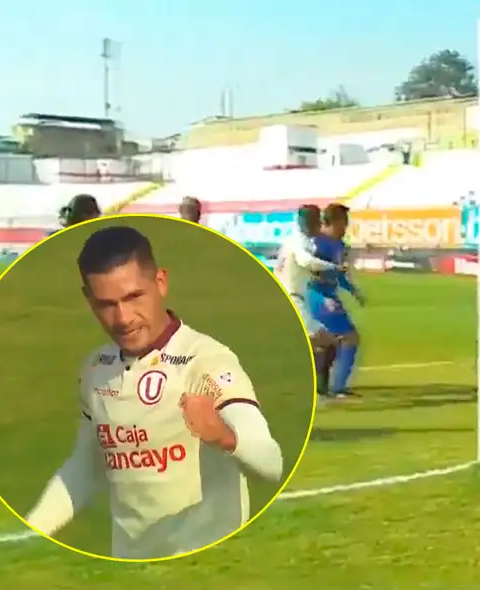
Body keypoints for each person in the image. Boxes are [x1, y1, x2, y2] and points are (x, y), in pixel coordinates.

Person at [24, 225, 285, 560]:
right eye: (106, 304)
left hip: (208, 563)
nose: (123, 318)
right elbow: (85, 468)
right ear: (88, 299)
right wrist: (31, 533)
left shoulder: (205, 361)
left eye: (134, 297)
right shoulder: (97, 368)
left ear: (160, 282)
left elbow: (271, 463)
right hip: (132, 564)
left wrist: (223, 436)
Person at [310, 203, 365, 399]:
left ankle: (324, 387)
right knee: (349, 337)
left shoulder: (338, 245)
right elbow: (308, 273)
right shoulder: (317, 244)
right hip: (316, 298)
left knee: (328, 343)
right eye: (343, 223)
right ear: (332, 222)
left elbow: (338, 275)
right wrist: (322, 296)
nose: (345, 228)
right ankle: (337, 388)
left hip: (327, 297)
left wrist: (353, 290)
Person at [273, 205, 344, 352]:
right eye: (318, 221)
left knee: (325, 342)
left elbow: (303, 272)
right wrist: (333, 267)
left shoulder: (293, 240)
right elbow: (306, 261)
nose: (320, 226)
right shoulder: (300, 243)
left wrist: (323, 299)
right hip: (292, 300)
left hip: (291, 298)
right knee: (323, 341)